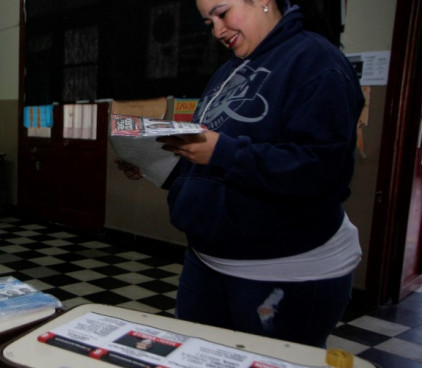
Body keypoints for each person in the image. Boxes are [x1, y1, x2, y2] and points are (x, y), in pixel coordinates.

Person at [121, 0, 365, 348]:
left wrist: (221, 151)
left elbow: (318, 169)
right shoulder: (230, 71)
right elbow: (214, 161)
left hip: (283, 270)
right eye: (209, 24)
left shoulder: (316, 62)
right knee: (198, 362)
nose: (218, 31)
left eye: (222, 13)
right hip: (208, 261)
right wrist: (154, 164)